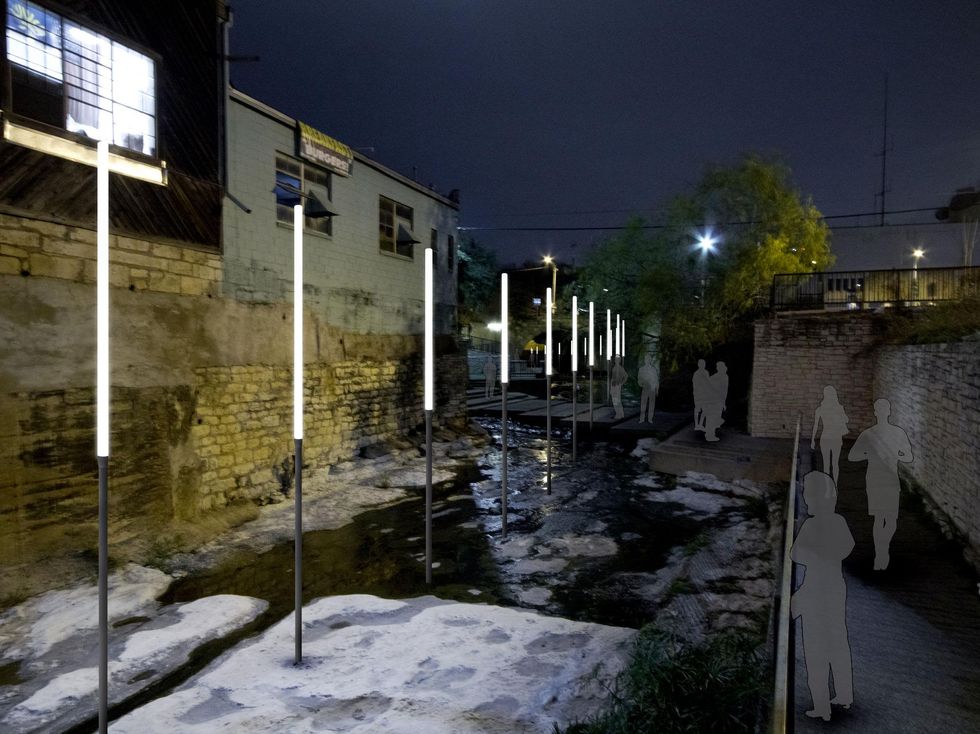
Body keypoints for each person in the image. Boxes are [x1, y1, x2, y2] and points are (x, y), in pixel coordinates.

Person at [791, 471, 855, 722]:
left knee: (815, 647)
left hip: (815, 587)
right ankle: (844, 695)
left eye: (808, 495)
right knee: (838, 641)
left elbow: (795, 554)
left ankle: (821, 706)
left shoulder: (811, 525)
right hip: (836, 586)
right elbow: (846, 547)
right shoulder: (838, 521)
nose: (806, 500)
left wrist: (814, 556)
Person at [848, 398, 913, 570]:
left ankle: (883, 547)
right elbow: (852, 456)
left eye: (885, 410)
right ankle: (881, 553)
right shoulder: (869, 434)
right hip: (876, 479)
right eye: (880, 410)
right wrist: (868, 453)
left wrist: (897, 454)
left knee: (890, 519)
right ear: (877, 413)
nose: (883, 413)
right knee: (879, 518)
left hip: (890, 478)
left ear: (888, 412)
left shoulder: (898, 433)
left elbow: (909, 456)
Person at [810, 385, 849, 486]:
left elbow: (816, 425)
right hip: (836, 437)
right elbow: (846, 420)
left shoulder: (820, 409)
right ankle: (835, 486)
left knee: (826, 464)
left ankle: (828, 488)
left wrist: (812, 440)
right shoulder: (839, 408)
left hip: (825, 437)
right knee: (835, 464)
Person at [703, 361, 728, 442]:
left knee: (712, 418)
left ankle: (710, 434)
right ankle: (710, 435)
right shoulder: (720, 377)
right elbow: (723, 391)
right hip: (715, 401)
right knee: (712, 418)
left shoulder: (717, 377)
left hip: (715, 401)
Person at [637, 353, 659, 423]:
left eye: (648, 359)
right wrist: (642, 384)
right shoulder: (641, 369)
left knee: (652, 405)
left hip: (652, 389)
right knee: (643, 404)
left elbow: (656, 380)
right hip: (645, 389)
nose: (647, 360)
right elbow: (639, 379)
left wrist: (657, 390)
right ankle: (642, 419)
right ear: (644, 360)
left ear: (650, 360)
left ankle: (650, 419)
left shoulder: (653, 370)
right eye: (646, 359)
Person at [692, 359, 710, 431]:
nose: (703, 365)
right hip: (698, 394)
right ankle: (696, 425)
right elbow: (695, 385)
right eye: (702, 364)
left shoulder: (706, 372)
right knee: (697, 410)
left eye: (704, 364)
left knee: (705, 410)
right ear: (699, 365)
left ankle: (701, 424)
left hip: (705, 394)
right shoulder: (696, 374)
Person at [609, 355, 628, 419]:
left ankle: (619, 414)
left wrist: (621, 383)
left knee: (616, 400)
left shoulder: (620, 368)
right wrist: (611, 388)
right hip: (614, 385)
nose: (615, 360)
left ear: (619, 360)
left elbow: (626, 376)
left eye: (617, 359)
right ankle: (620, 414)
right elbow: (612, 378)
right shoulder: (615, 368)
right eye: (615, 359)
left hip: (617, 385)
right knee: (616, 400)